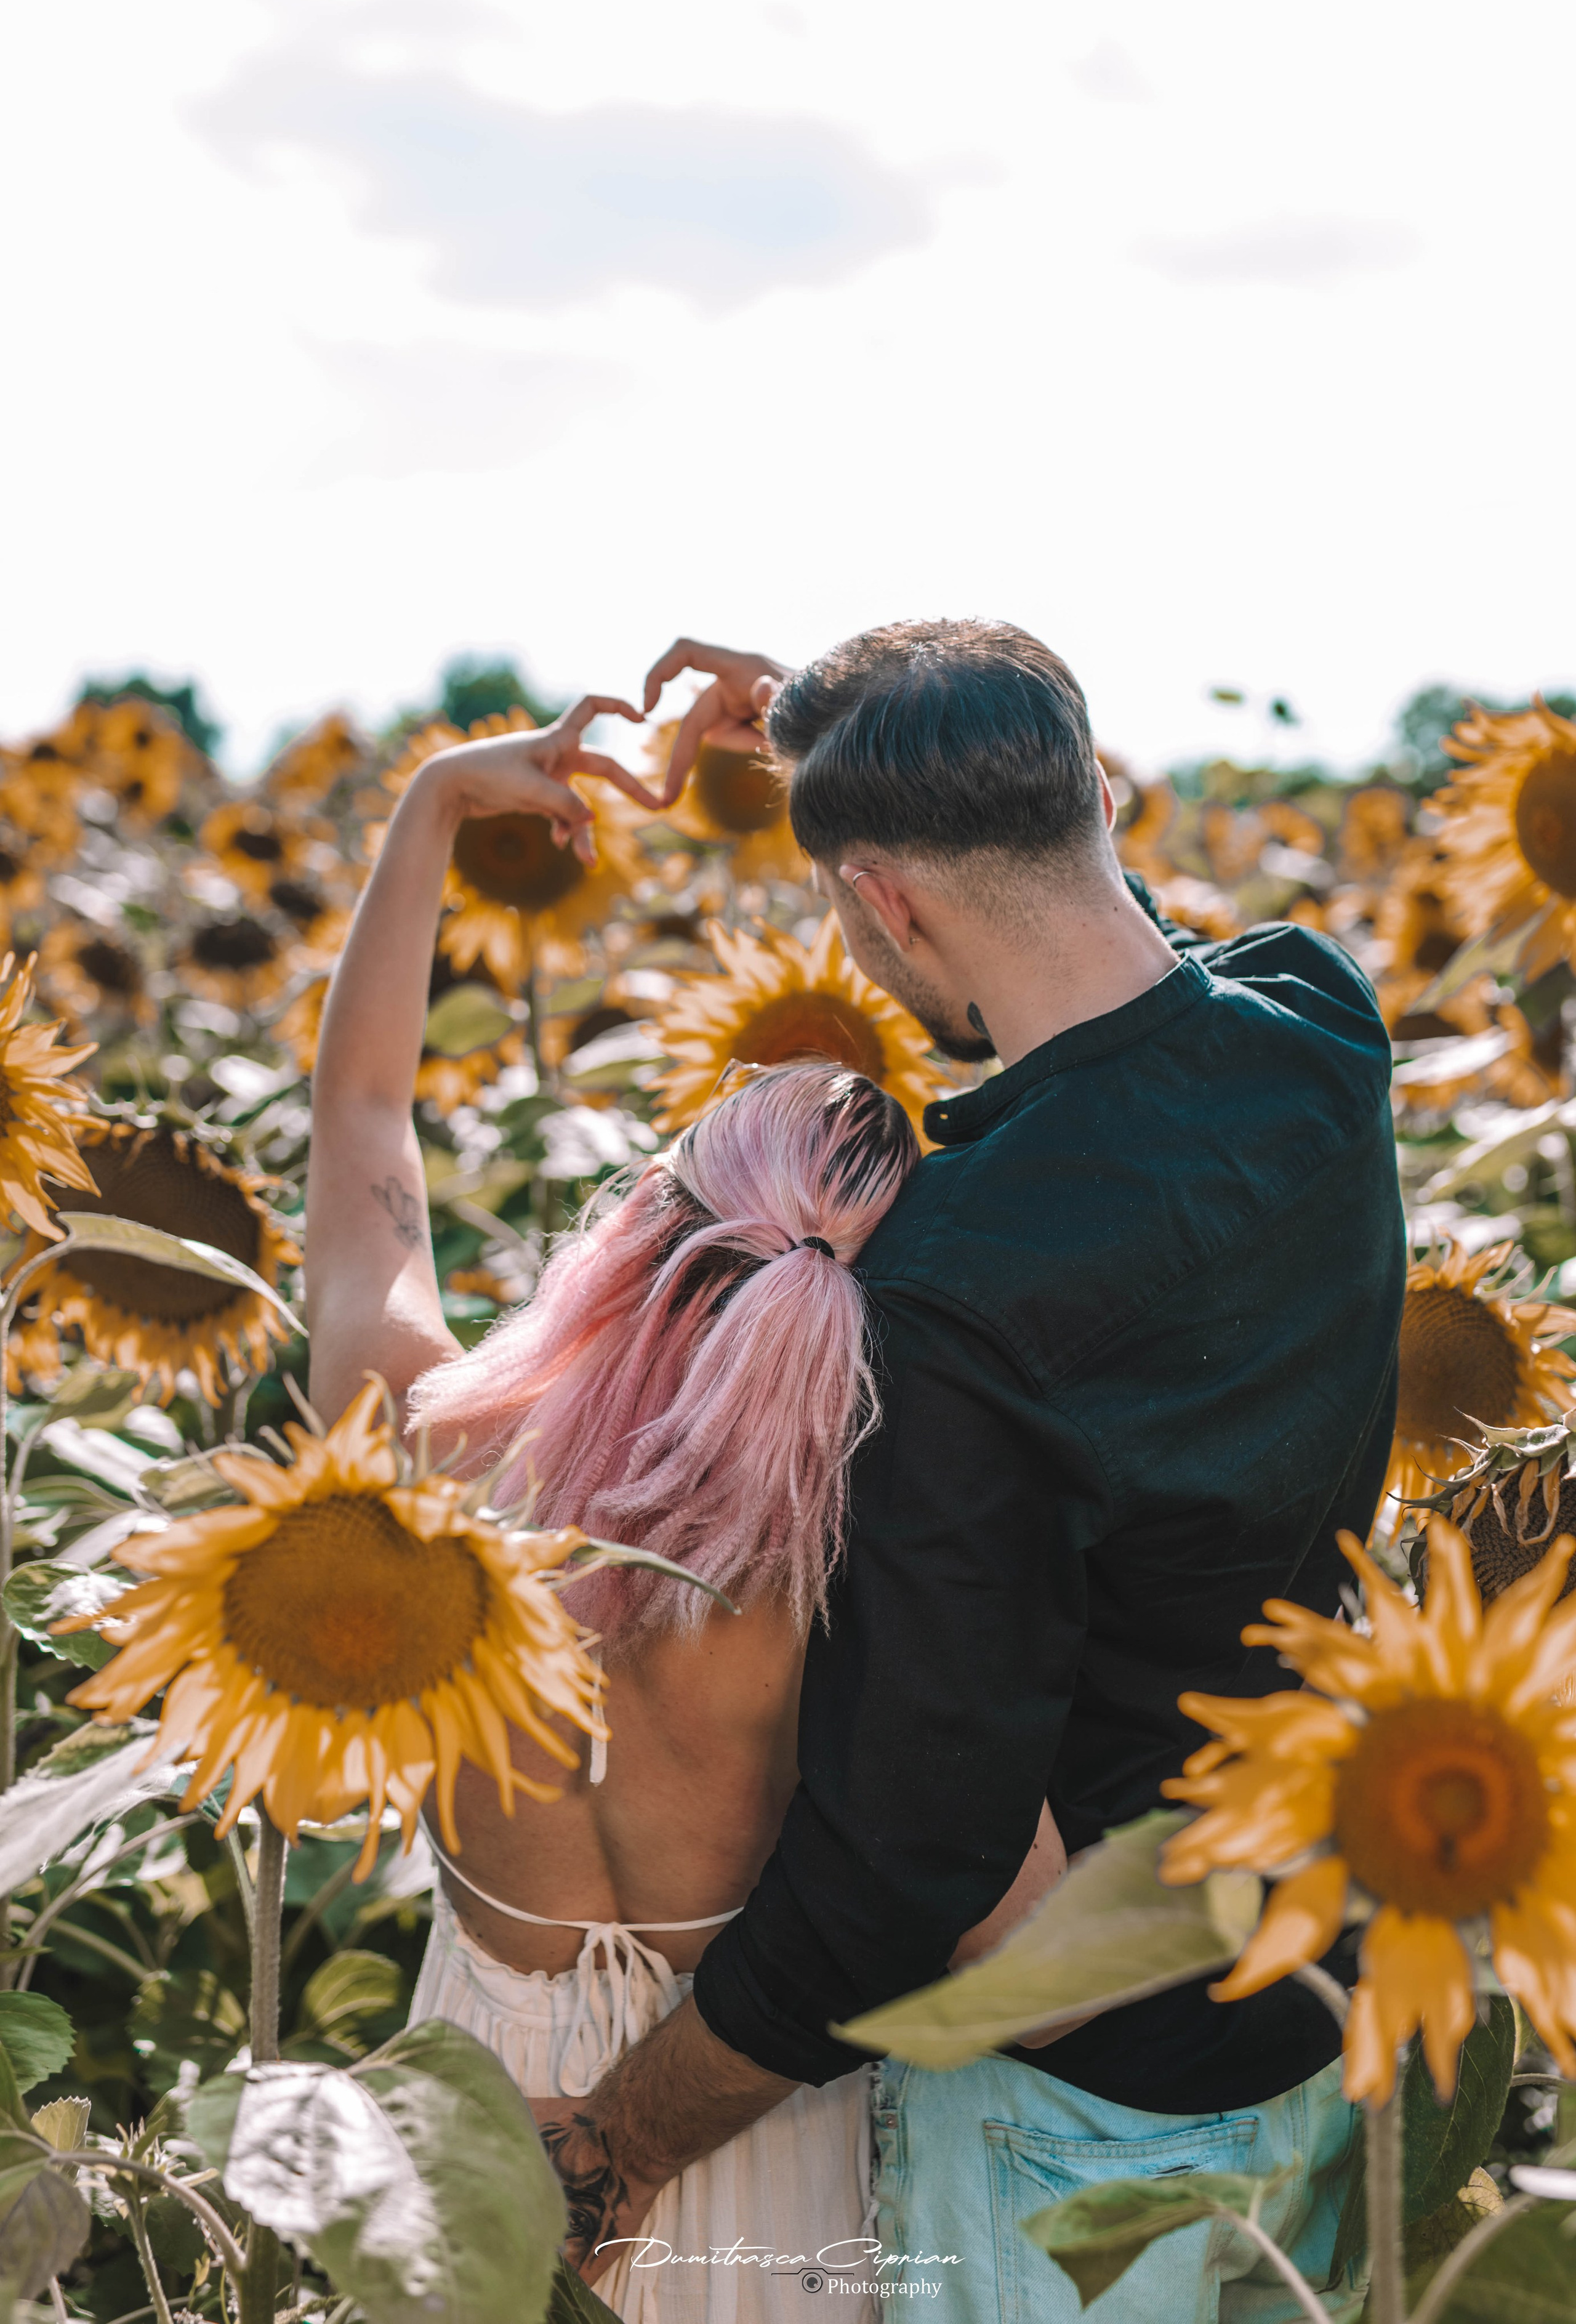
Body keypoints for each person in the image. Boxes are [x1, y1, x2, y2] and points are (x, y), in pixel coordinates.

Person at [531, 626, 1406, 2324]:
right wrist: (886, 732)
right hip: (1330, 1994)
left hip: (1077, 2116)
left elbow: (898, 1865)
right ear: (1091, 791)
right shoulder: (1324, 1023)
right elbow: (1116, 933)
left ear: (885, 903)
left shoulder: (950, 1297)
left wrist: (621, 2142)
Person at [302, 698, 1064, 2324]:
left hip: (465, 2119)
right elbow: (1017, 1930)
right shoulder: (871, 1553)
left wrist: (437, 802)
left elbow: (362, 1126)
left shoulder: (430, 1452)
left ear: (645, 1219)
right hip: (750, 2128)